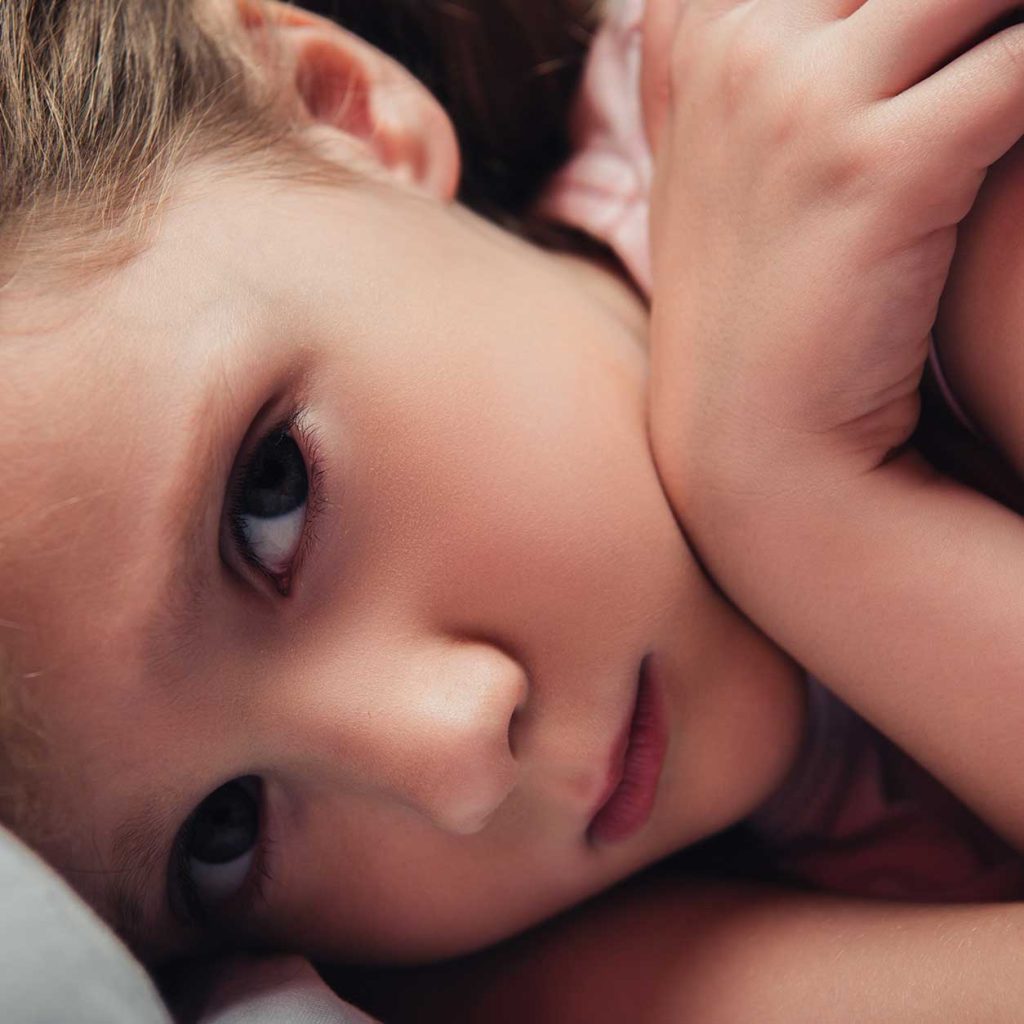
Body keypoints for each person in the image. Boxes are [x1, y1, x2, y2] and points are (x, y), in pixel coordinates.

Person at [2, 1, 1024, 1021]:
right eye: (221, 834)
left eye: (272, 497)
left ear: (344, 115)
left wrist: (797, 510)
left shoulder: (888, 169)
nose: (458, 760)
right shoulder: (503, 964)